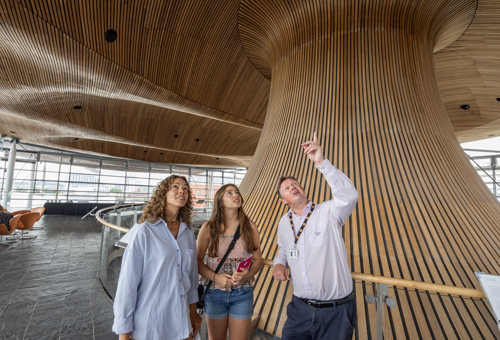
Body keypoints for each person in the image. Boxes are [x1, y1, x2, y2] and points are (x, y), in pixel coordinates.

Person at [273, 132, 359, 340]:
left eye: (295, 183)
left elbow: (350, 196)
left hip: (335, 311)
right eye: (287, 187)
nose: (293, 186)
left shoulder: (328, 212)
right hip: (299, 309)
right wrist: (278, 264)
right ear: (284, 199)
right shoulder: (284, 223)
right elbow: (284, 249)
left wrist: (320, 161)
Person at [112, 175, 201, 340]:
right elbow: (128, 283)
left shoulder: (187, 232)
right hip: (151, 322)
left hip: (181, 321)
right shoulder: (144, 231)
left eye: (185, 188)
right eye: (175, 186)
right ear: (163, 194)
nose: (182, 190)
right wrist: (124, 331)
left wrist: (193, 312)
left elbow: (192, 277)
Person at [197, 184, 263, 340]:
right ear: (220, 200)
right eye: (230, 193)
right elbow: (198, 262)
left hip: (242, 292)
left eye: (237, 192)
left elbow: (258, 259)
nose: (236, 195)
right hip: (214, 293)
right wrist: (216, 277)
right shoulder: (208, 227)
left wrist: (249, 273)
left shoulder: (250, 226)